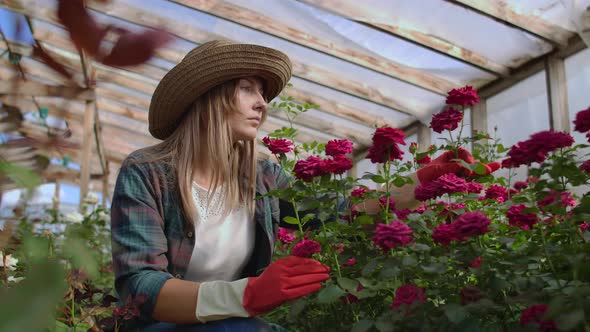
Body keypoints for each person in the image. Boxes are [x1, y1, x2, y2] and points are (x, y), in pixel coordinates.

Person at [110, 40, 497, 331]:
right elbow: (140, 285)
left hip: (236, 322)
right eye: (247, 88)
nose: (262, 102)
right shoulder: (148, 172)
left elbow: (339, 213)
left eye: (263, 92)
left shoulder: (260, 175)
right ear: (207, 97)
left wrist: (423, 181)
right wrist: (246, 294)